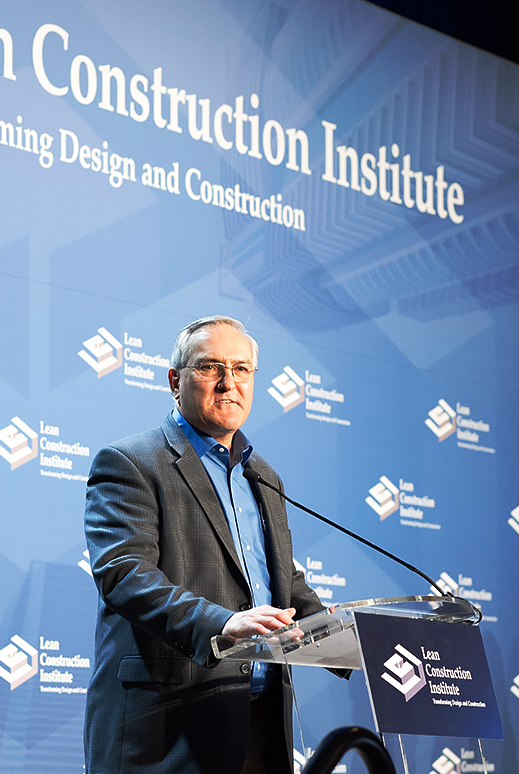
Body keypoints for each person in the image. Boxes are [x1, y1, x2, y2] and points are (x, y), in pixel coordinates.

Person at [83, 315, 327, 774]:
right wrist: (224, 623)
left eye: (241, 369)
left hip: (259, 728)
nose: (228, 383)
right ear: (175, 381)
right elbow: (125, 575)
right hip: (168, 729)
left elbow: (283, 581)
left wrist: (352, 638)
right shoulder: (130, 463)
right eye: (210, 366)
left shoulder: (263, 476)